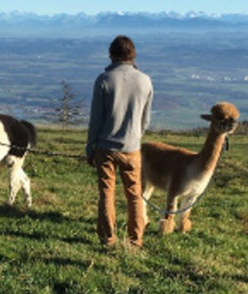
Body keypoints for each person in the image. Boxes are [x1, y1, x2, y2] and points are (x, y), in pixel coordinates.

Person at [85, 35, 153, 249]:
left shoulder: (104, 80)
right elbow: (145, 119)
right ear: (133, 55)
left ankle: (108, 238)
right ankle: (135, 239)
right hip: (132, 147)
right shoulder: (145, 80)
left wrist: (90, 146)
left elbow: (96, 119)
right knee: (134, 195)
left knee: (106, 193)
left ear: (111, 54)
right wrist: (135, 136)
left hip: (105, 146)